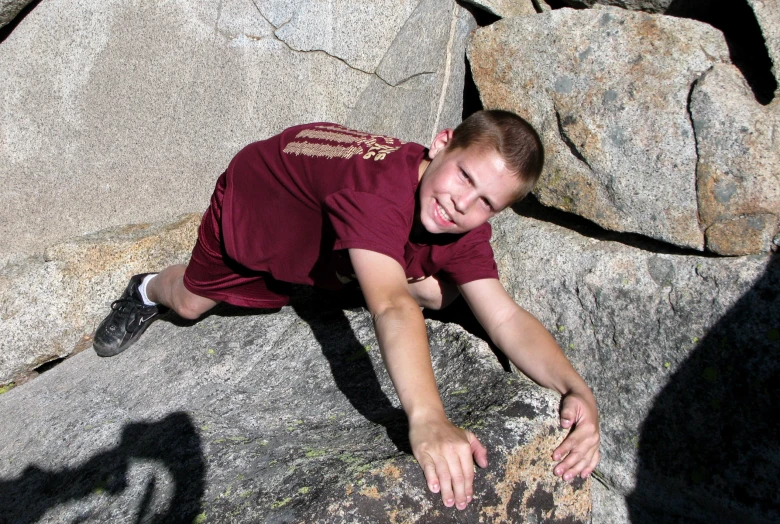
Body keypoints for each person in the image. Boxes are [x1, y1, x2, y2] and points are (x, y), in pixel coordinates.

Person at [93, 110, 600, 511]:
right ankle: (144, 289)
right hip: (260, 206)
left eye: (486, 202)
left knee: (452, 292)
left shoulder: (456, 218)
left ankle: (354, 266)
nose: (463, 204)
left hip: (329, 232)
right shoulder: (376, 192)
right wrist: (427, 419)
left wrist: (574, 387)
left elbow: (506, 317)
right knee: (189, 303)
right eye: (464, 176)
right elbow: (391, 306)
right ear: (442, 142)